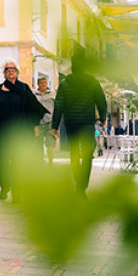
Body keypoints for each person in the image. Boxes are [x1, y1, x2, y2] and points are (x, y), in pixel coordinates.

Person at [0, 62, 47, 201]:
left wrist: (35, 126)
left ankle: (17, 192)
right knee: (2, 160)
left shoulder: (23, 88)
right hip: (3, 131)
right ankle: (5, 186)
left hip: (19, 132)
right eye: (7, 69)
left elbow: (33, 107)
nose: (10, 71)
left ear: (17, 72)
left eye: (13, 69)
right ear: (4, 73)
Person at [51, 49, 107, 197]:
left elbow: (58, 104)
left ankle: (77, 185)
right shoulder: (92, 81)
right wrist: (102, 118)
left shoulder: (65, 83)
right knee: (88, 155)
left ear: (73, 66)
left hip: (71, 123)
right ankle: (82, 187)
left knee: (75, 155)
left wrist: (55, 126)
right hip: (87, 123)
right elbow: (101, 100)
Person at [35, 77, 57, 164]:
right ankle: (40, 162)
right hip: (38, 123)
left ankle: (50, 162)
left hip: (50, 123)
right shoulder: (34, 94)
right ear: (38, 84)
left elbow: (57, 108)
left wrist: (56, 125)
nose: (43, 84)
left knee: (50, 144)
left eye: (45, 82)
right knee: (38, 144)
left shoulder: (53, 94)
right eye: (41, 83)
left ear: (47, 84)